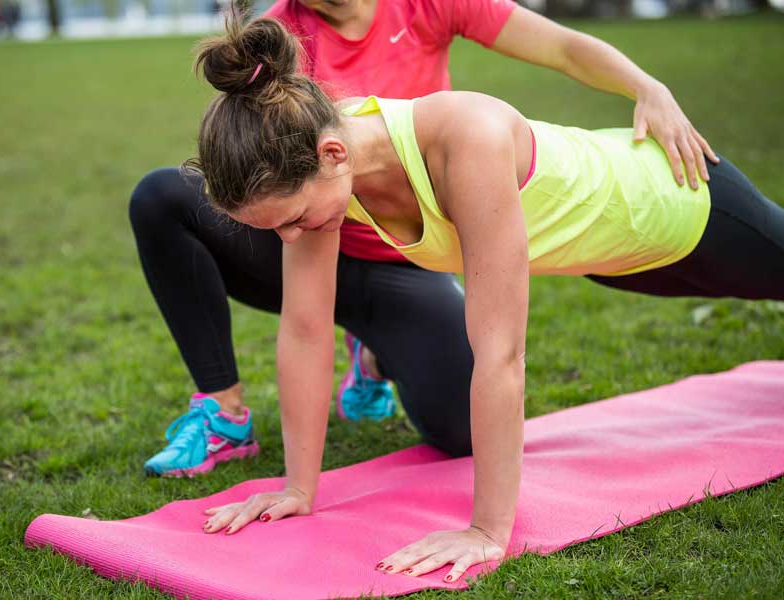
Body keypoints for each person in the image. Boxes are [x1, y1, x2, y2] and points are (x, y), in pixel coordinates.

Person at [189, 16, 784, 581]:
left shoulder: (462, 138)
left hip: (683, 205)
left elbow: (499, 355)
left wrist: (487, 531)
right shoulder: (317, 160)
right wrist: (298, 488)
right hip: (609, 261)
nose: (290, 238)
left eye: (291, 219)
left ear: (333, 157)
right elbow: (305, 330)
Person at [130, 0, 720, 478]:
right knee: (164, 196)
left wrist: (646, 87)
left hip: (405, 260)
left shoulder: (424, 5)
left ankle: (376, 352)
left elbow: (561, 45)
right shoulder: (277, 42)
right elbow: (254, 176)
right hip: (311, 241)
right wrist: (299, 489)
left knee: (463, 433)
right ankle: (223, 413)